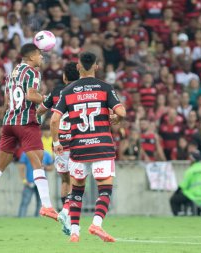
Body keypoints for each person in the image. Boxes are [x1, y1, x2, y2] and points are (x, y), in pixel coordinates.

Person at [0, 43, 58, 221]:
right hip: (26, 122)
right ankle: (47, 206)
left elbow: (6, 99)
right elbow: (31, 95)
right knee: (38, 163)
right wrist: (50, 99)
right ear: (30, 57)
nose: (42, 58)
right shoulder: (33, 72)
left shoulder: (12, 72)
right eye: (39, 55)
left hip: (9, 123)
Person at [50, 52, 126, 242]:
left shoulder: (68, 90)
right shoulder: (105, 88)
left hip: (78, 148)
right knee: (105, 189)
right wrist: (117, 118)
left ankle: (75, 232)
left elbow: (54, 119)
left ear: (78, 67)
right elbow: (121, 111)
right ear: (96, 67)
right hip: (102, 146)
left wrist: (57, 142)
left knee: (76, 192)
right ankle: (96, 224)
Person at [37, 62, 79, 235]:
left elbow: (40, 111)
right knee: (76, 182)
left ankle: (66, 215)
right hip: (77, 141)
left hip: (59, 142)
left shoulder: (56, 92)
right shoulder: (82, 90)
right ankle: (67, 213)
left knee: (65, 180)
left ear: (64, 77)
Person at [170, 151, 201, 216]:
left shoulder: (191, 170)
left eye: (190, 159)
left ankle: (179, 215)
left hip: (194, 195)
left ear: (193, 160)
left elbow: (184, 185)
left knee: (174, 199)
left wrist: (177, 191)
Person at [18, 151, 54, 217]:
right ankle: (21, 218)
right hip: (29, 182)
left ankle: (38, 220)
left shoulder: (46, 154)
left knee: (40, 204)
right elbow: (21, 167)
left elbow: (51, 167)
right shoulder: (26, 153)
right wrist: (24, 180)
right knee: (25, 202)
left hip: (41, 183)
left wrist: (44, 167)